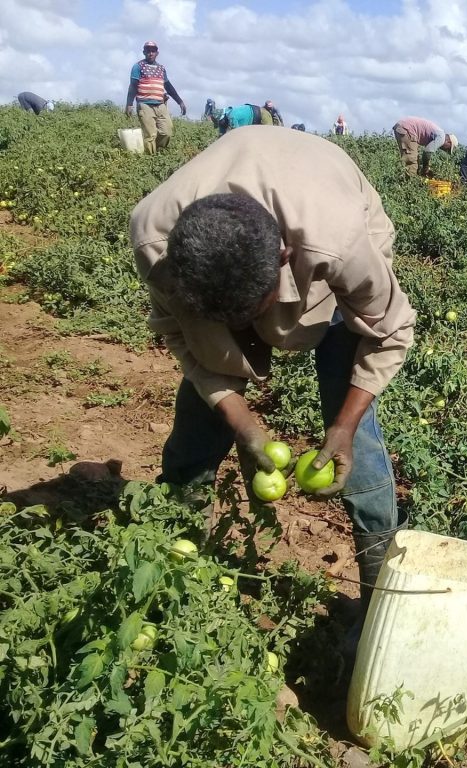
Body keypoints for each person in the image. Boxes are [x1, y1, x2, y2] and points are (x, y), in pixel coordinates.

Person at [129, 126, 415, 639]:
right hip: (232, 267)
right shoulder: (156, 239)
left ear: (284, 261)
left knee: (354, 426)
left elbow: (391, 331)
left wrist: (345, 424)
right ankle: (165, 559)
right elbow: (183, 339)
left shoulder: (340, 240)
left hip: (329, 239)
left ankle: (379, 598)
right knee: (199, 421)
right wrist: (242, 423)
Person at [124, 40, 187, 155]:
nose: (151, 53)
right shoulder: (138, 67)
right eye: (148, 51)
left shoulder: (161, 68)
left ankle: (159, 152)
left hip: (160, 104)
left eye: (153, 51)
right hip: (145, 104)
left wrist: (180, 102)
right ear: (144, 52)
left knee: (167, 132)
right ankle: (151, 158)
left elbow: (168, 86)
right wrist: (129, 104)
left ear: (157, 53)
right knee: (150, 135)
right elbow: (133, 86)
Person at [392, 117, 457, 177]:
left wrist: (426, 167)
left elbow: (426, 153)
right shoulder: (441, 138)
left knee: (411, 158)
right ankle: (409, 183)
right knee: (412, 160)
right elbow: (427, 152)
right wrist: (425, 168)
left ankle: (404, 179)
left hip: (404, 127)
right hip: (407, 128)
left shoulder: (437, 134)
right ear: (448, 142)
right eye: (448, 148)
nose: (445, 150)